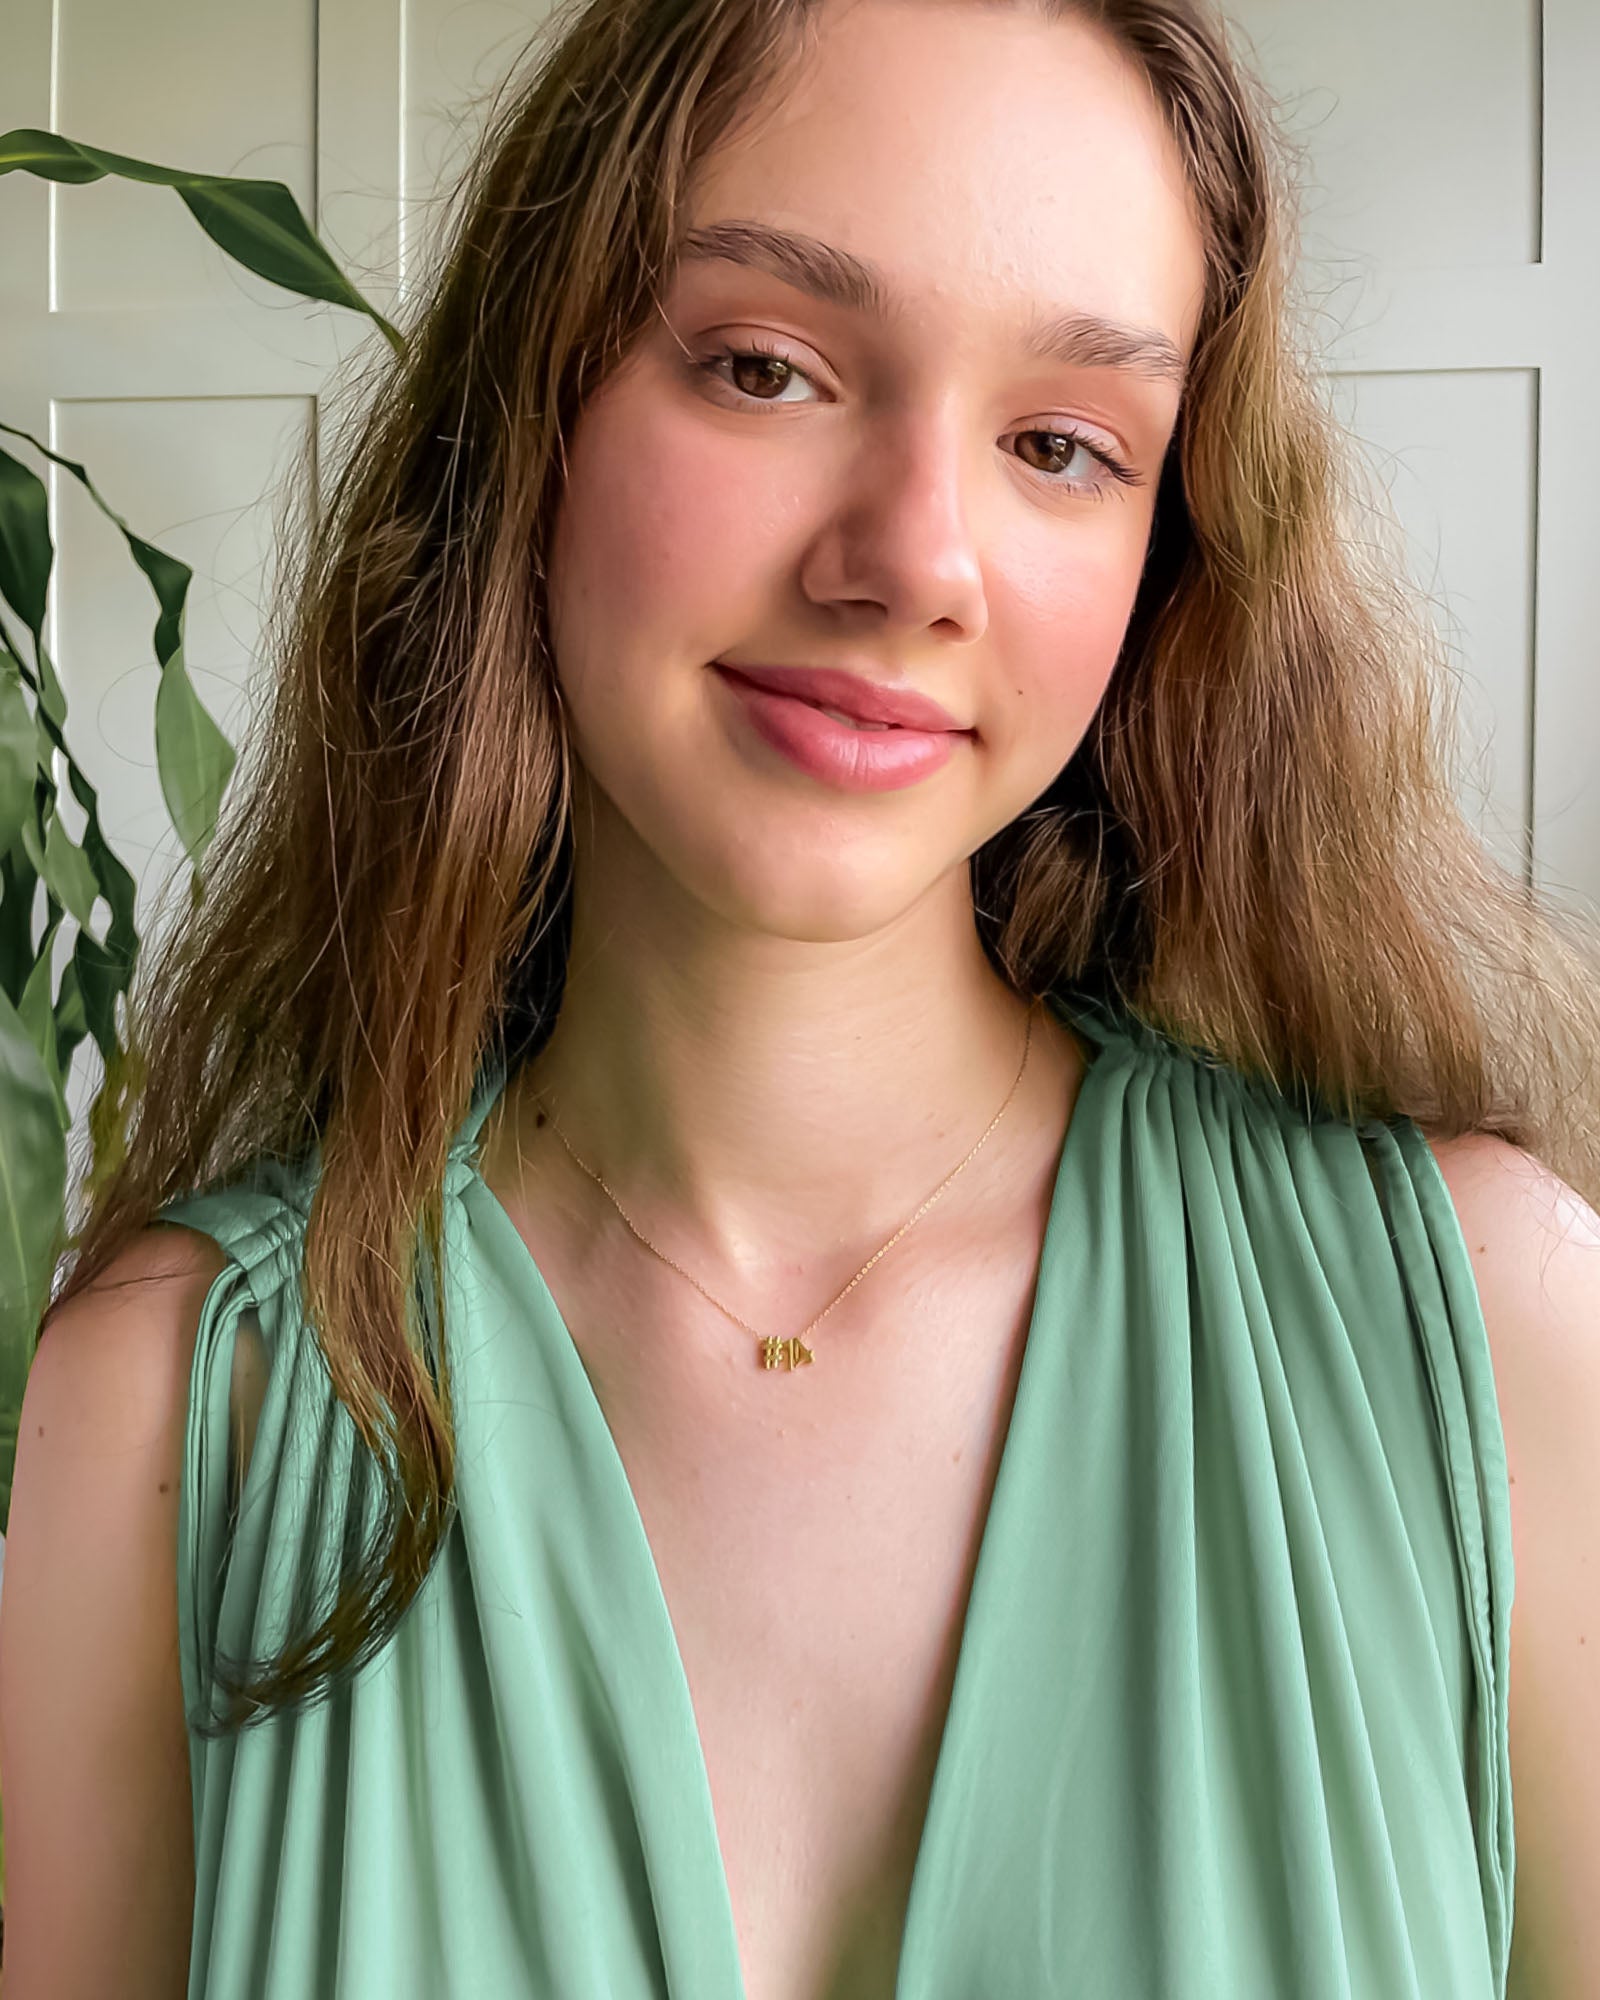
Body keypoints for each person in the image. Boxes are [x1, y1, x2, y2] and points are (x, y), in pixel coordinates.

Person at [3, 0, 1599, 1994]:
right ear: (533, 411)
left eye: (1060, 444)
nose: (914, 559)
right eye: (764, 366)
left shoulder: (1496, 1333)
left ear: (1169, 546)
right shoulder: (183, 1405)